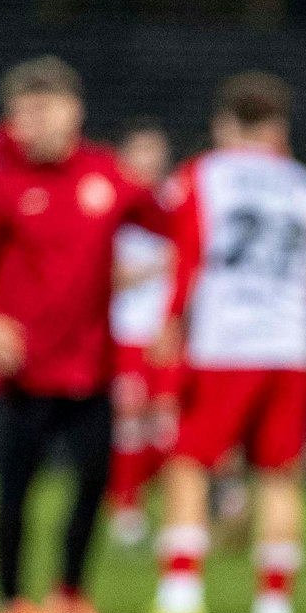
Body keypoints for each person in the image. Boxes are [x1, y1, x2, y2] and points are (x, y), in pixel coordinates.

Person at [0, 56, 169, 613]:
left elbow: (171, 220)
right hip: (26, 369)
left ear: (72, 111)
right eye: (20, 114)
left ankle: (71, 598)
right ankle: (10, 604)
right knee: (16, 486)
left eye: (41, 110)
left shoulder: (107, 175)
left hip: (91, 364)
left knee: (94, 482)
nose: (29, 124)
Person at [146, 72, 306, 613]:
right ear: (280, 125)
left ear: (224, 123)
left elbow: (185, 261)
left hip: (223, 343)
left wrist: (170, 326)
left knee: (188, 463)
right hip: (291, 347)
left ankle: (181, 597)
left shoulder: (201, 175)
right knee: (279, 477)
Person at [105, 117, 177, 549]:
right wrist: (154, 267)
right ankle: (126, 508)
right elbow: (105, 273)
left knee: (167, 427)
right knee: (129, 424)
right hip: (124, 329)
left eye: (156, 152)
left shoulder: (173, 200)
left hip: (165, 331)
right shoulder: (111, 202)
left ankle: (168, 509)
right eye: (141, 152)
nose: (149, 161)